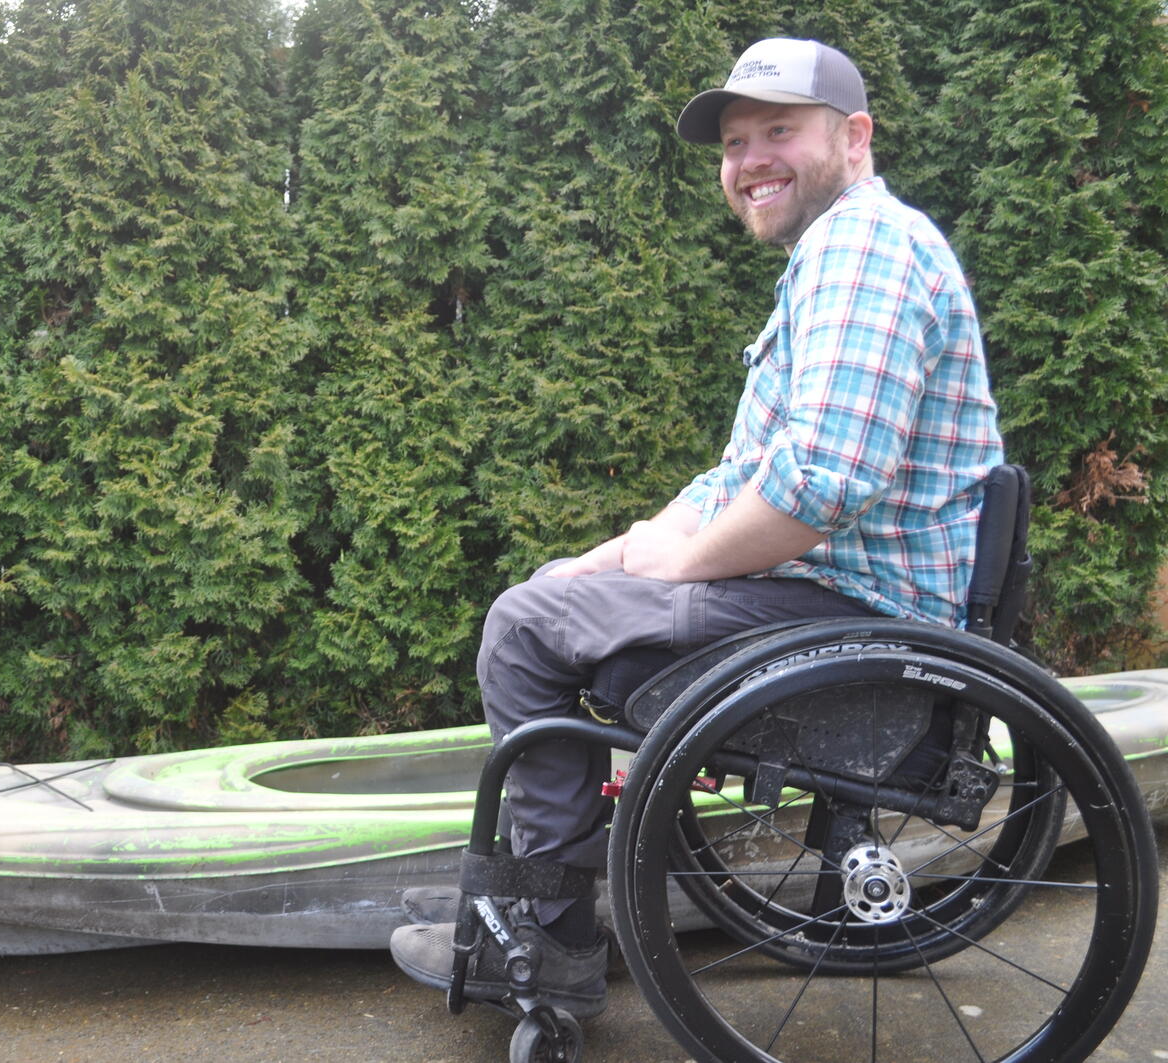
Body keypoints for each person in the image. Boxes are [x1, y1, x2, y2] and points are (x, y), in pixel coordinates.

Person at [388, 37, 1006, 1019]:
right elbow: (744, 476)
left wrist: (675, 569)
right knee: (555, 592)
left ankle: (549, 938)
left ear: (853, 137)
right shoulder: (839, 253)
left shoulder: (862, 251)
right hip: (837, 602)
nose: (749, 158)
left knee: (521, 627)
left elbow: (822, 486)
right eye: (733, 142)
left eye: (777, 131)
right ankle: (540, 891)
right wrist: (625, 547)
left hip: (851, 619)